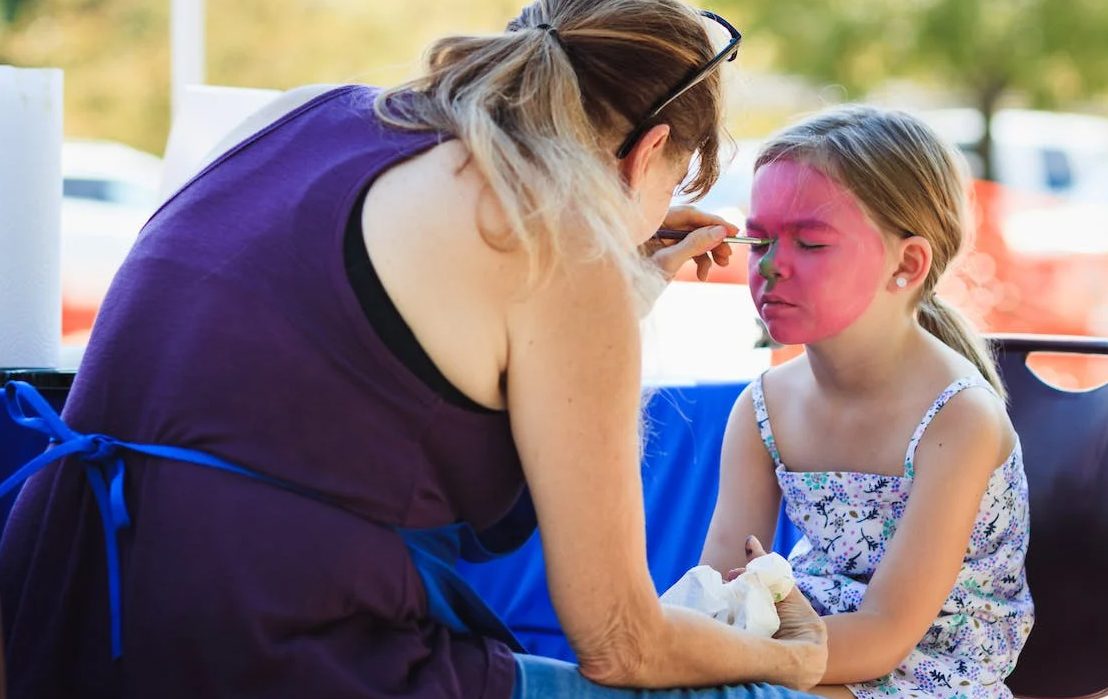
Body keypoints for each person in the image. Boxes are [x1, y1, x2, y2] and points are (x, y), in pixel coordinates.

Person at [0, 1, 830, 697]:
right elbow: (620, 638)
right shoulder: (562, 236)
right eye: (674, 185)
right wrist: (791, 659)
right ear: (647, 152)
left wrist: (625, 291)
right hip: (254, 637)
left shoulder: (309, 108)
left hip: (57, 586)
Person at [700, 105, 1034, 698]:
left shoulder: (959, 417)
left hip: (933, 669)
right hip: (807, 647)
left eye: (808, 242)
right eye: (759, 240)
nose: (772, 266)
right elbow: (720, 589)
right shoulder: (763, 408)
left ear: (906, 263)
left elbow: (887, 634)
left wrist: (723, 661)